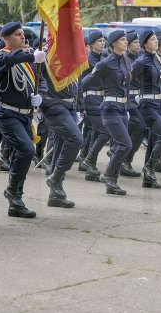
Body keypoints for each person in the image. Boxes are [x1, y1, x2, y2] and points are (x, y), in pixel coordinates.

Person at [0, 22, 47, 216]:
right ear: (5, 38)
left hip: (25, 115)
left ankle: (16, 198)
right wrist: (32, 55)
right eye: (17, 34)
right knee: (26, 149)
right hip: (7, 114)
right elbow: (11, 58)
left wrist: (38, 96)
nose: (22, 37)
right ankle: (13, 192)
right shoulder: (2, 56)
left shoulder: (28, 59)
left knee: (22, 154)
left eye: (23, 34)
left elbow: (38, 82)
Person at [81, 30, 131, 195]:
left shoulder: (125, 61)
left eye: (126, 40)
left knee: (119, 145)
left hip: (122, 109)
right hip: (109, 109)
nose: (126, 42)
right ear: (114, 43)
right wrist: (80, 103)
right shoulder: (105, 63)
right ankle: (108, 175)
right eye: (123, 40)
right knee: (125, 144)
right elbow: (86, 82)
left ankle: (112, 183)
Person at [39, 39, 82, 207]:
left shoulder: (69, 55)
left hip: (70, 104)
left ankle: (55, 194)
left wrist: (78, 105)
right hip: (54, 104)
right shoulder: (45, 55)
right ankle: (55, 178)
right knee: (76, 139)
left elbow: (77, 83)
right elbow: (35, 78)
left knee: (60, 144)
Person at [131, 30, 161, 189]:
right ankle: (148, 166)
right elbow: (126, 79)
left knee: (154, 141)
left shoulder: (157, 59)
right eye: (153, 39)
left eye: (156, 39)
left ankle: (148, 178)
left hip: (160, 105)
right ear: (144, 43)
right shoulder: (141, 62)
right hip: (148, 106)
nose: (156, 41)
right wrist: (131, 98)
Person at [79, 31, 110, 182]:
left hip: (102, 99)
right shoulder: (86, 61)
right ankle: (88, 161)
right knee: (104, 130)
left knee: (95, 132)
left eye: (104, 41)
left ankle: (87, 162)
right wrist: (80, 105)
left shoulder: (104, 59)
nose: (102, 43)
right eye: (99, 41)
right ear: (91, 44)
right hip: (90, 98)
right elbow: (81, 83)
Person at [122, 32, 145, 178]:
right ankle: (124, 159)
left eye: (138, 42)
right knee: (137, 126)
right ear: (128, 45)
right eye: (134, 42)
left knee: (139, 130)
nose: (137, 45)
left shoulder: (139, 58)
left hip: (139, 98)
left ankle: (125, 158)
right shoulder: (125, 60)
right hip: (128, 98)